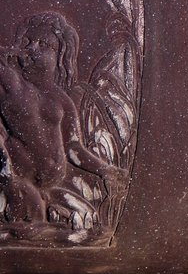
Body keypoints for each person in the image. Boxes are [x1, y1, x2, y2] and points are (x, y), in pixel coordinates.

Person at [0, 12, 121, 231]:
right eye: (27, 42)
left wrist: (105, 170)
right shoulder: (12, 86)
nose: (32, 48)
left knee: (87, 220)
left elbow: (74, 148)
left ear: (61, 56)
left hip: (50, 187)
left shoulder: (62, 101)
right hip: (18, 184)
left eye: (43, 44)